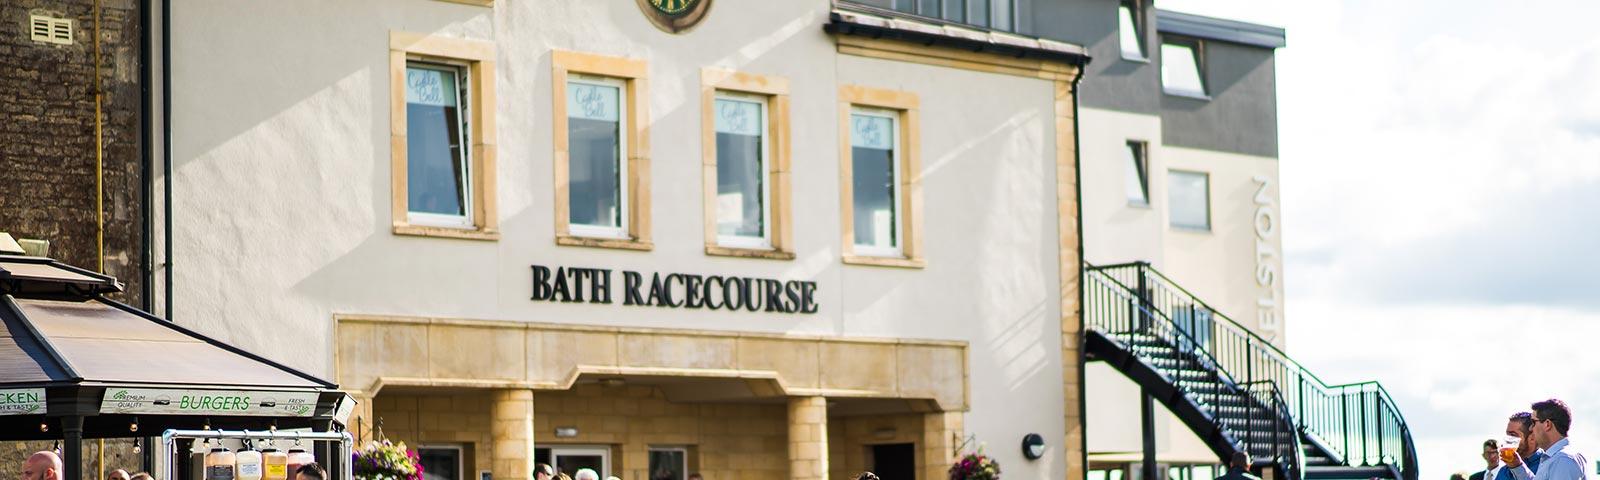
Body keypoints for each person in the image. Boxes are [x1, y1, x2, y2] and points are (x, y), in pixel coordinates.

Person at [1507, 399, 1587, 480]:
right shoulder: (1558, 457)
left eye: (1533, 422)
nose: (1530, 428)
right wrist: (1517, 465)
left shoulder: (1562, 460)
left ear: (1547, 424)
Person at [1501, 412, 1546, 480]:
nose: (1508, 440)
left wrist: (1517, 467)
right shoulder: (1503, 471)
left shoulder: (1548, 465)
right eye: (1507, 435)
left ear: (1532, 438)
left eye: (1513, 435)